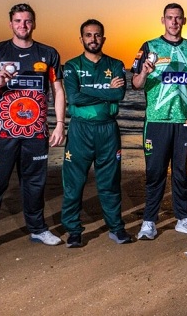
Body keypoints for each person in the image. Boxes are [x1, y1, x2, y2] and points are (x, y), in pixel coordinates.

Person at [0, 3, 66, 253]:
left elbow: (58, 90)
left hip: (36, 134)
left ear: (34, 23)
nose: (22, 25)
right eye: (17, 21)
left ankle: (38, 229)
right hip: (1, 134)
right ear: (10, 23)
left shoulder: (48, 54)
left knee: (35, 183)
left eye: (27, 21)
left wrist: (59, 125)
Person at [131, 3, 187, 239]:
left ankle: (183, 218)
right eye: (170, 18)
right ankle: (149, 221)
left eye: (178, 18)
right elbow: (135, 83)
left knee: (182, 172)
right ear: (162, 20)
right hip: (156, 120)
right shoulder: (149, 46)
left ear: (184, 21)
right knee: (155, 173)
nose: (174, 22)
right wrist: (143, 72)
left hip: (184, 121)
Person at [60, 19, 133, 248]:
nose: (93, 39)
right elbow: (73, 98)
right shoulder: (71, 66)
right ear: (81, 38)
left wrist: (88, 90)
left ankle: (116, 227)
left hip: (108, 130)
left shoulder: (116, 63)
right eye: (88, 35)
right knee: (74, 183)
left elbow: (119, 94)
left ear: (104, 38)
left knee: (110, 182)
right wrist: (105, 90)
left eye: (97, 35)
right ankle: (73, 230)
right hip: (80, 130)